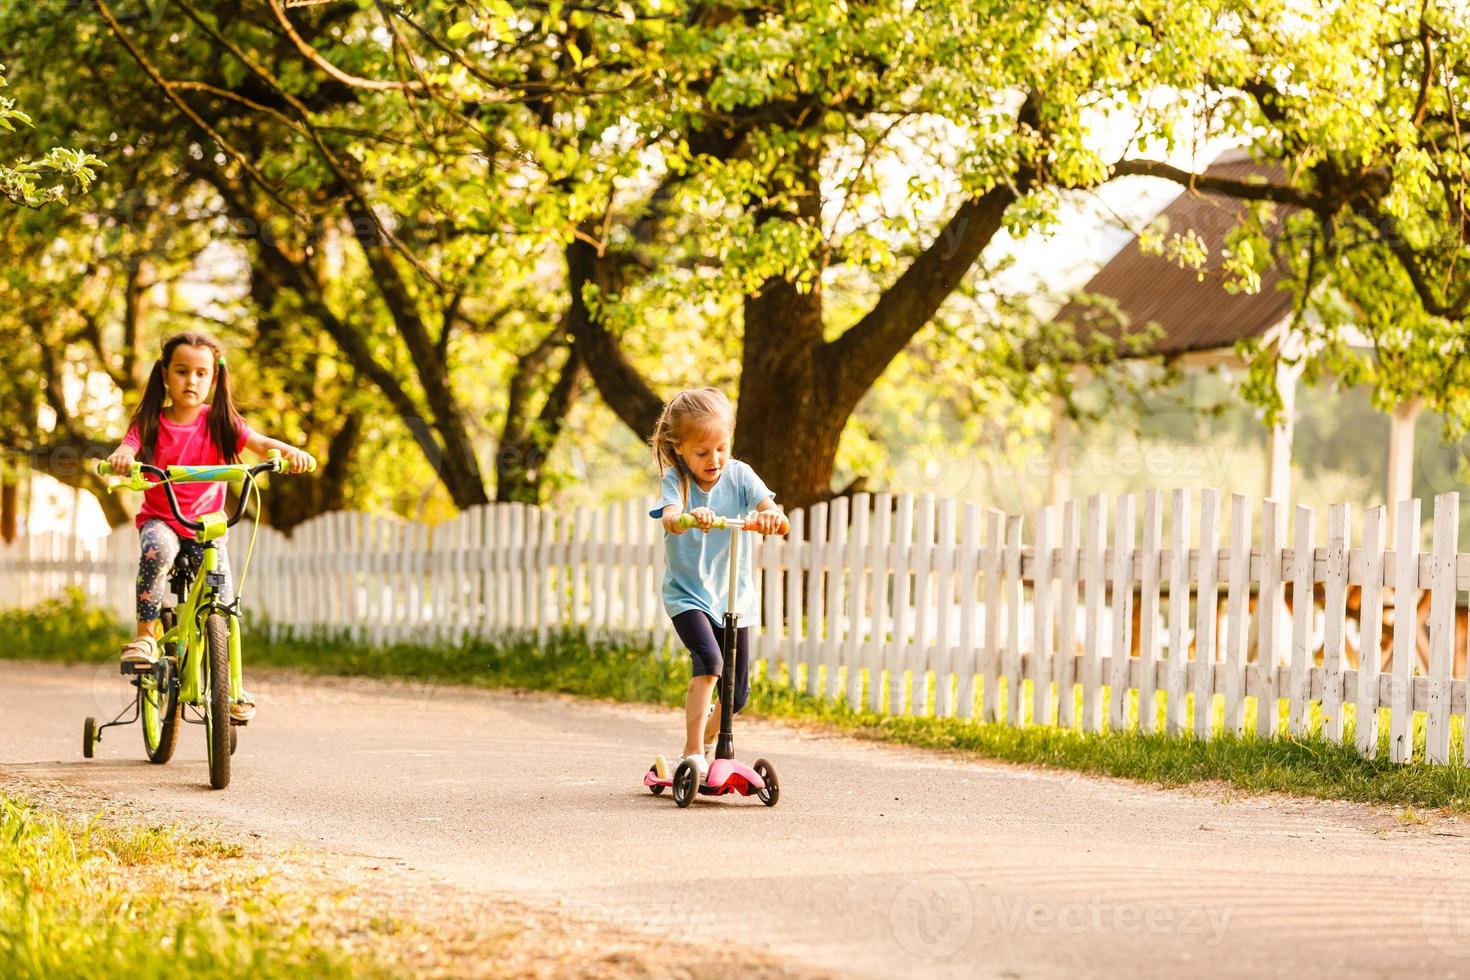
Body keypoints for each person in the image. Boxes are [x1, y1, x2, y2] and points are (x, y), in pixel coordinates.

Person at [105, 331, 314, 722]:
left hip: (207, 526)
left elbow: (260, 442)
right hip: (163, 519)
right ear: (165, 374)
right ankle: (146, 638)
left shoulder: (221, 422)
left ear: (213, 379)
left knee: (226, 601)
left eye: (201, 373)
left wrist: (291, 453)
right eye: (182, 372)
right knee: (156, 552)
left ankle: (233, 687)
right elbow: (128, 447)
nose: (192, 381)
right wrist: (121, 456)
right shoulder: (151, 420)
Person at [648, 388, 785, 782]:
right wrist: (690, 514)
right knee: (710, 662)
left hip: (734, 598)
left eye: (721, 448)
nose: (715, 460)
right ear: (680, 449)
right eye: (702, 453)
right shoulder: (677, 481)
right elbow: (671, 516)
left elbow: (771, 508)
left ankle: (709, 745)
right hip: (688, 595)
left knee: (736, 696)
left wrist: (772, 517)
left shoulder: (740, 475)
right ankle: (692, 753)